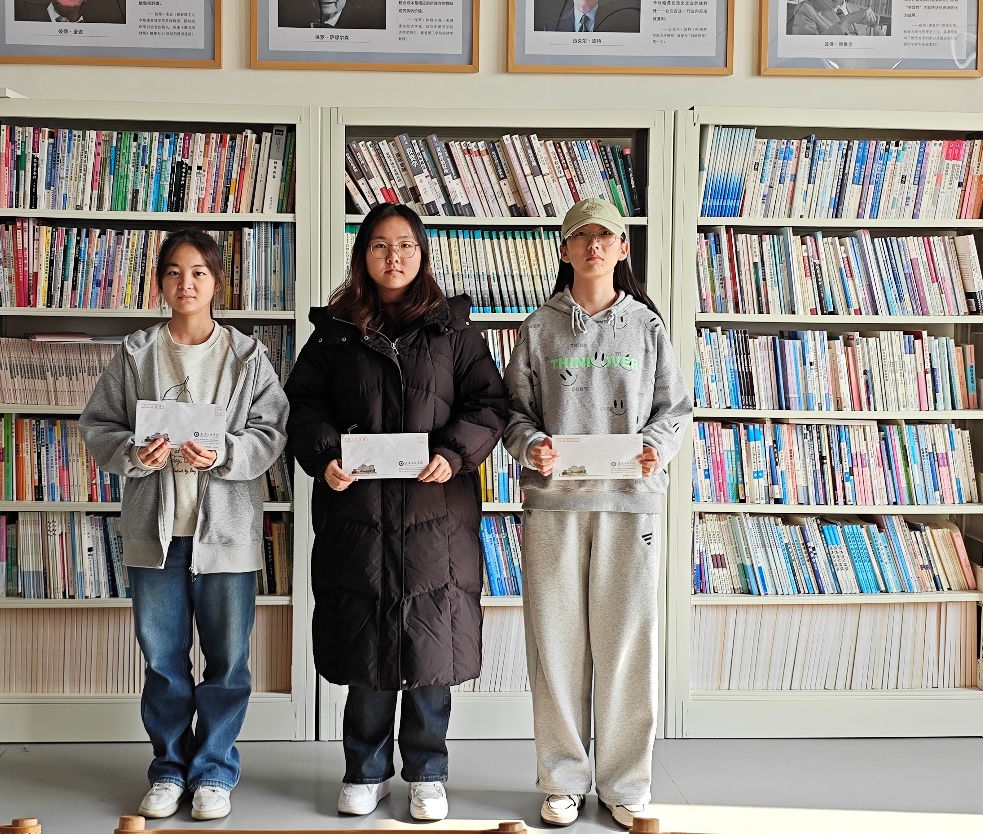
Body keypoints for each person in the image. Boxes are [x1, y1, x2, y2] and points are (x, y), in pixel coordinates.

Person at [285, 203, 508, 822]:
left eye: (405, 244)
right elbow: (302, 407)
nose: (393, 256)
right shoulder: (334, 332)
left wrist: (453, 453)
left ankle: (428, 774)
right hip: (358, 515)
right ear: (363, 255)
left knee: (431, 651)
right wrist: (325, 456)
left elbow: (489, 404)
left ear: (422, 253)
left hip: (436, 519)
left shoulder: (453, 330)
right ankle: (365, 770)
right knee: (367, 648)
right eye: (380, 245)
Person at [79, 229, 289, 822]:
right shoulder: (136, 354)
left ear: (217, 281)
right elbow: (97, 425)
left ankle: (214, 771)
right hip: (157, 534)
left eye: (198, 272)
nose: (186, 283)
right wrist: (133, 453)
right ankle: (169, 768)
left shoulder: (247, 356)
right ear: (160, 283)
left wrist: (224, 453)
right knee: (162, 660)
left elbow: (272, 432)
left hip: (225, 535)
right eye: (174, 272)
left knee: (228, 661)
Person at [501, 198, 692, 828]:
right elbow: (512, 412)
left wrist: (656, 447)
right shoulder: (539, 328)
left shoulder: (647, 327)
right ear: (563, 249)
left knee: (627, 646)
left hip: (628, 506)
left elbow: (674, 410)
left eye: (604, 236)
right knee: (555, 647)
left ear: (622, 248)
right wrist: (532, 445)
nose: (593, 245)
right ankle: (562, 780)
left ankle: (625, 783)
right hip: (554, 508)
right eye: (580, 236)